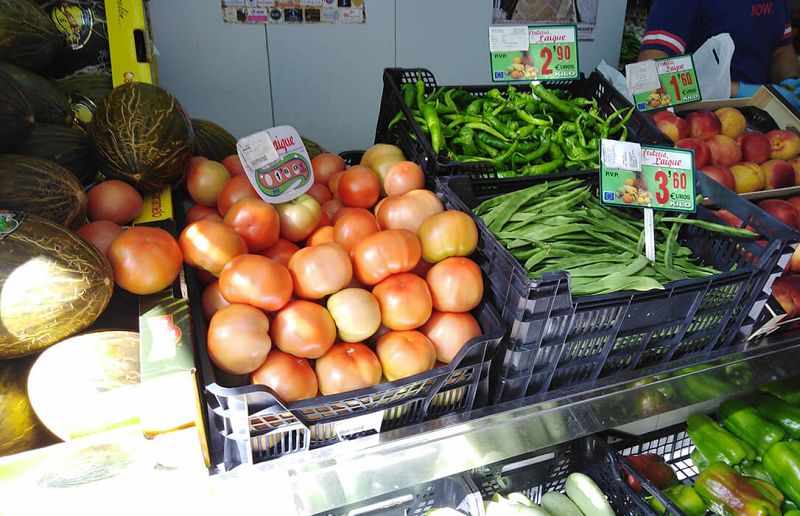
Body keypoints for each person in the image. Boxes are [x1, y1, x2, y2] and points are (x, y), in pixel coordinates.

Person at [638, 1, 800, 106]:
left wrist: (790, 84)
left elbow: (782, 49)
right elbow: (645, 84)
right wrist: (735, 91)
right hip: (697, 125)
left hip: (760, 126)